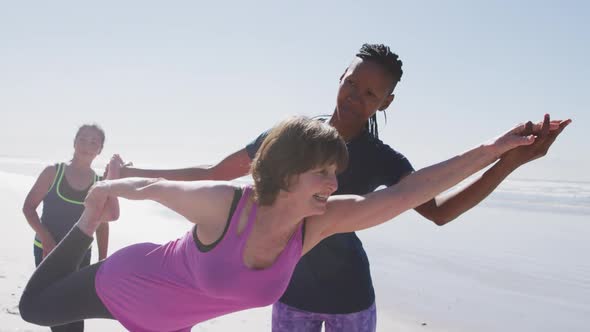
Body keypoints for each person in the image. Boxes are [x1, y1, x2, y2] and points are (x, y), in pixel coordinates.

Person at [118, 44, 572, 331]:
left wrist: (510, 161)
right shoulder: (292, 135)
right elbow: (219, 171)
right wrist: (139, 176)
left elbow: (438, 211)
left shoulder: (382, 158)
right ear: (340, 76)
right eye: (352, 84)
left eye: (370, 94)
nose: (355, 98)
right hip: (289, 293)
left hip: (351, 301)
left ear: (386, 102)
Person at [19, 115, 567, 332]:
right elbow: (151, 188)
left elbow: (411, 191)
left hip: (172, 322)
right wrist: (101, 197)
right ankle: (83, 232)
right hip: (128, 284)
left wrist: (498, 149)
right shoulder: (224, 204)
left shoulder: (320, 223)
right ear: (285, 172)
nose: (333, 183)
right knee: (35, 309)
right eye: (323, 172)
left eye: (336, 173)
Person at [21, 123, 117, 332]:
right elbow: (28, 208)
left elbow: (102, 224)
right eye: (82, 139)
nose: (87, 145)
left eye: (94, 142)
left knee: (76, 311)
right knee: (55, 313)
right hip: (48, 252)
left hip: (81, 255)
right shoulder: (53, 172)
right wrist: (46, 238)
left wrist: (102, 260)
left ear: (100, 149)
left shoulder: (99, 182)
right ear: (74, 142)